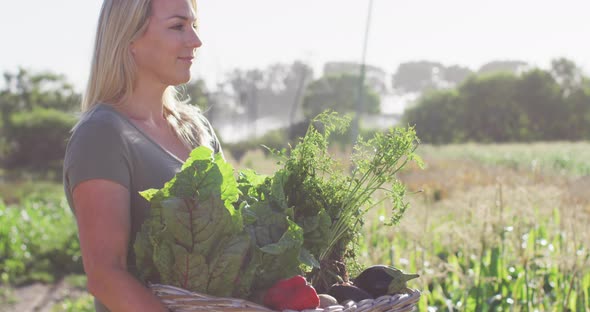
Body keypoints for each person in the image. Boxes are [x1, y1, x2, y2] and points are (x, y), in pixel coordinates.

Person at [62, 0, 221, 311]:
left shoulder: (197, 129)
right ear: (129, 37)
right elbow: (106, 275)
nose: (196, 41)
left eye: (194, 26)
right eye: (178, 26)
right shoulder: (102, 134)